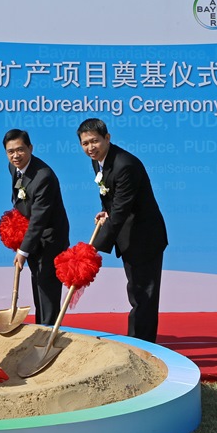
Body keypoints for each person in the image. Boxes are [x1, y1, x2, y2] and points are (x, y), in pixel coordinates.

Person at [77, 118, 168, 343]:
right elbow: (111, 198)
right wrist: (105, 211)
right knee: (136, 291)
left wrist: (92, 250)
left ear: (107, 138)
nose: (90, 147)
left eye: (95, 141)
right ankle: (139, 342)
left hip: (144, 237)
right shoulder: (98, 161)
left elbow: (120, 209)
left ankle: (142, 346)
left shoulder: (125, 164)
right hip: (128, 235)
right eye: (85, 143)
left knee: (143, 294)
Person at [3, 128, 70, 325]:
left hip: (50, 238)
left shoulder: (43, 176)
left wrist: (23, 251)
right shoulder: (13, 167)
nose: (15, 156)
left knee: (47, 286)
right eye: (10, 151)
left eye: (20, 150)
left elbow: (39, 218)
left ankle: (49, 331)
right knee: (38, 281)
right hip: (33, 236)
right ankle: (41, 327)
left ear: (30, 148)